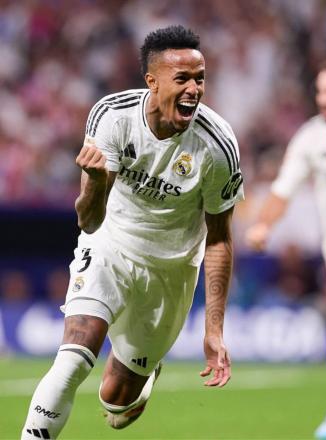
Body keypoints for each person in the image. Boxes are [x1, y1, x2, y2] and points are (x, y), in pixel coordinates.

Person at [21, 25, 243, 439]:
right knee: (73, 359)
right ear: (152, 81)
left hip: (171, 271)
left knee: (116, 403)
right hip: (111, 244)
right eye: (183, 79)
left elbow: (219, 239)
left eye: (200, 78)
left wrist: (214, 331)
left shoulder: (217, 146)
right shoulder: (112, 116)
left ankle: (143, 374)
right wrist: (97, 180)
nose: (194, 89)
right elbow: (88, 221)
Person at [244, 64, 326, 440]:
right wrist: (263, 225)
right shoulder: (310, 137)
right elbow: (284, 188)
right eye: (319, 91)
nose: (324, 99)